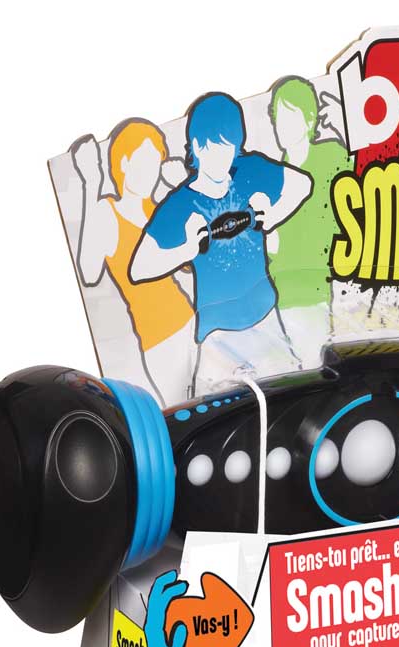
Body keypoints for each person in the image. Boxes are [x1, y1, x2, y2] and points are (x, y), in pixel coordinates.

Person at [130, 92, 312, 393]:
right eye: (214, 149)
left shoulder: (248, 171)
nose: (222, 159)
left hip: (266, 317)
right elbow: (139, 268)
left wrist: (273, 214)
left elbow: (301, 184)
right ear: (197, 146)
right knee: (218, 413)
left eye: (228, 148)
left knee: (293, 397)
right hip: (218, 336)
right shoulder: (180, 204)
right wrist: (184, 250)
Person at [71, 119, 195, 406]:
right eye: (144, 162)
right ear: (124, 162)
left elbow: (191, 263)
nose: (151, 173)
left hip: (189, 320)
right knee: (180, 410)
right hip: (158, 337)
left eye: (155, 164)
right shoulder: (107, 211)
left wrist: (181, 186)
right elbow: (89, 272)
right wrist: (91, 183)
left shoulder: (155, 209)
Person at [267, 77, 354, 368]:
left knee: (323, 361)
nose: (282, 126)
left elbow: (361, 181)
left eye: (290, 116)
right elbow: (273, 240)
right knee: (309, 363)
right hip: (290, 291)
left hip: (332, 280)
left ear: (308, 120)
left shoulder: (331, 154)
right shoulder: (275, 176)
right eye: (278, 117)